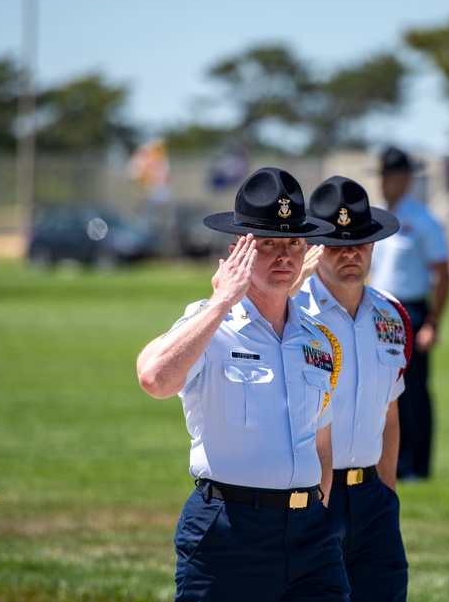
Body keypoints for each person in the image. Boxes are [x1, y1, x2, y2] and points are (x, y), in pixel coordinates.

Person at [136, 167, 352, 600]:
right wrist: (221, 301)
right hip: (230, 533)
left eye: (293, 242)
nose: (284, 256)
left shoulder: (318, 340)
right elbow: (154, 378)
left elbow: (320, 444)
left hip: (310, 534)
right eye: (267, 243)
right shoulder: (208, 323)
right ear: (238, 251)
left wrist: (316, 508)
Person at [292, 175, 410, 602]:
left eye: (360, 242)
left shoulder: (390, 315)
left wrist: (387, 489)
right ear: (314, 247)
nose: (351, 253)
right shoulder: (291, 314)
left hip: (372, 498)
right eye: (337, 244)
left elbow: (389, 411)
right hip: (310, 499)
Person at [369, 146, 449, 481]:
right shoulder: (375, 219)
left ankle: (418, 465)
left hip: (412, 312)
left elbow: (444, 273)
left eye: (392, 177)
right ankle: (392, 461)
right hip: (380, 314)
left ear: (405, 179)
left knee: (414, 391)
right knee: (385, 392)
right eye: (383, 177)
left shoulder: (422, 220)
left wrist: (433, 321)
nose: (386, 183)